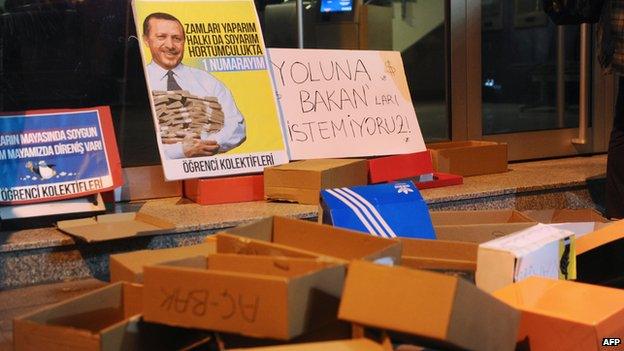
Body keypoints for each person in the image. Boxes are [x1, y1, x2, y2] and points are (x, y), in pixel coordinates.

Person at [142, 12, 246, 159]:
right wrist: (179, 151)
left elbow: (237, 126)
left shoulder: (207, 81)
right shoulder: (139, 83)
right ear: (146, 40)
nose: (170, 45)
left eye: (177, 39)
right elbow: (140, 144)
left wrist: (204, 145)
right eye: (161, 37)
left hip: (206, 169)